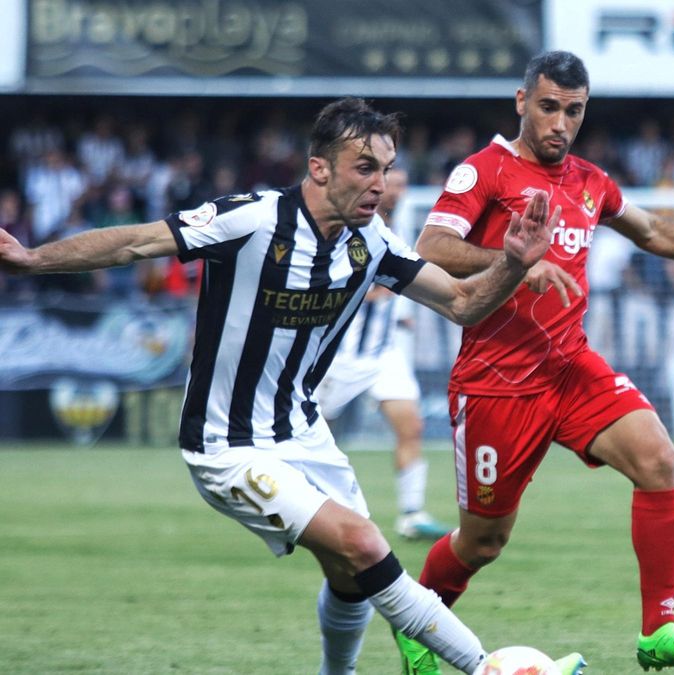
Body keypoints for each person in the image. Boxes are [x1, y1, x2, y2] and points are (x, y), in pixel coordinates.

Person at [0, 97, 586, 675]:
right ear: (320, 168)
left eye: (385, 169)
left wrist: (511, 263)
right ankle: (488, 667)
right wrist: (31, 258)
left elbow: (462, 304)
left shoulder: (372, 241)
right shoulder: (251, 219)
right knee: (363, 543)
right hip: (226, 444)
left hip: (302, 432)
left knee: (352, 579)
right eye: (365, 167)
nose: (380, 184)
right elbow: (135, 242)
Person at [404, 51, 674, 673]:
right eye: (549, 107)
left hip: (570, 367)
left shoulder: (589, 180)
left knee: (658, 457)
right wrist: (515, 264)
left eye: (574, 111)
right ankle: (418, 624)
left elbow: (652, 232)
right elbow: (432, 246)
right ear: (522, 101)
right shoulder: (484, 172)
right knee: (483, 542)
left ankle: (658, 628)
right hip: (497, 382)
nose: (560, 123)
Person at [316, 166, 452, 541]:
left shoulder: (403, 225)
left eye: (404, 185)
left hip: (383, 353)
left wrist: (402, 313)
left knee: (411, 426)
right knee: (313, 433)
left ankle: (411, 513)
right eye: (394, 184)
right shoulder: (355, 226)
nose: (398, 191)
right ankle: (302, 508)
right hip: (344, 354)